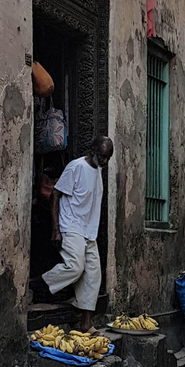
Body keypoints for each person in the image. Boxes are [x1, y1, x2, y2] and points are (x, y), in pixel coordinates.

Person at [41, 136, 114, 333]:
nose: (104, 161)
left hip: (89, 231)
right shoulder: (76, 167)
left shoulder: (98, 170)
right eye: (102, 156)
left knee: (93, 276)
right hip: (71, 225)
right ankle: (43, 285)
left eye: (108, 158)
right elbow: (55, 194)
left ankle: (86, 324)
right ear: (92, 150)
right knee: (75, 266)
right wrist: (56, 229)